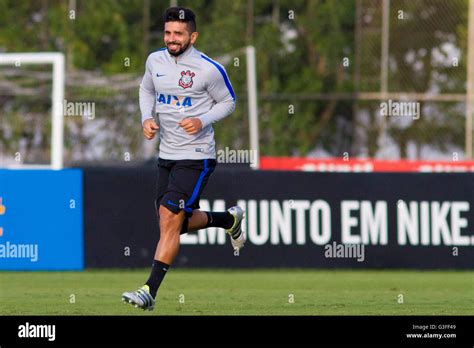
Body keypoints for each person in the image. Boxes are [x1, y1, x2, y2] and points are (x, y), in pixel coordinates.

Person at [122, 7, 246, 311]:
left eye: (178, 33)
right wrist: (145, 118)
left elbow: (229, 102)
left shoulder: (208, 68)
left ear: (193, 36)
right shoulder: (155, 61)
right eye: (167, 32)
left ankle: (149, 291)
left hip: (196, 156)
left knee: (169, 219)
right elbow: (145, 89)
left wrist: (202, 120)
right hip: (167, 155)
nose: (172, 39)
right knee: (173, 223)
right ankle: (229, 219)